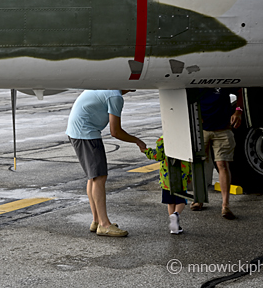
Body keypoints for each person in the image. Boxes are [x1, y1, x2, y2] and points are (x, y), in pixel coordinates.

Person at [66, 90, 147, 237]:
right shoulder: (115, 96)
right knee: (99, 177)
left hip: (78, 130)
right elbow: (115, 131)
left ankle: (97, 221)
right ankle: (104, 224)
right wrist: (137, 140)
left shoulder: (106, 87)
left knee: (94, 177)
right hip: (86, 133)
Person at [191, 88, 243, 219]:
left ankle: (225, 205)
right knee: (199, 163)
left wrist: (238, 111)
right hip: (202, 129)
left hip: (222, 129)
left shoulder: (222, 80)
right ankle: (199, 199)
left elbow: (240, 91)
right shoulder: (198, 81)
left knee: (222, 164)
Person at [144, 136, 191, 234]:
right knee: (181, 200)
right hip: (181, 176)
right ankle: (176, 214)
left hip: (166, 179)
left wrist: (146, 151)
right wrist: (189, 175)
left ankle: (173, 226)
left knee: (170, 202)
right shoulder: (185, 139)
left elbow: (158, 156)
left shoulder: (162, 139)